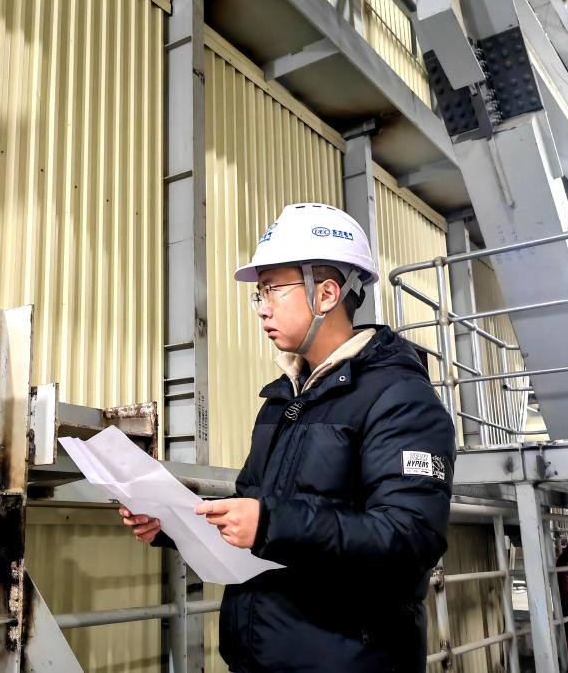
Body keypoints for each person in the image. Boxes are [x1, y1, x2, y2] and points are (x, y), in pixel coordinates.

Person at [121, 203, 455, 671]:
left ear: (326, 294)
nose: (262, 308)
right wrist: (173, 524)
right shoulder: (283, 399)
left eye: (273, 290)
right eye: (259, 294)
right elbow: (254, 512)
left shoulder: (401, 399)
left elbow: (409, 539)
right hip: (260, 658)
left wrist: (269, 524)